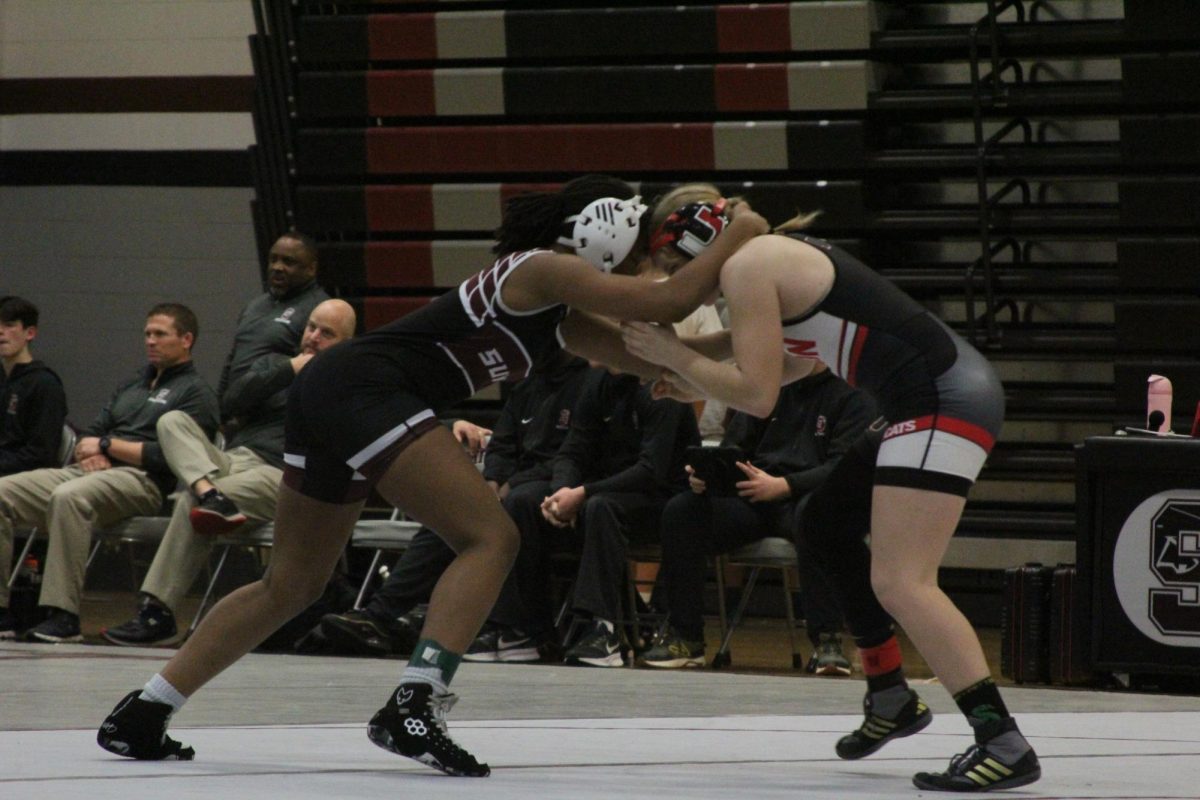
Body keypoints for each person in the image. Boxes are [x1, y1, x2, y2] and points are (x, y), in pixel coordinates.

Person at [97, 175, 768, 777]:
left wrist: (764, 343)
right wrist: (741, 230)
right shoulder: (541, 268)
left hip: (338, 393)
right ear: (605, 230)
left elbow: (659, 356)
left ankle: (144, 710)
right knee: (492, 537)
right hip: (366, 390)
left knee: (293, 584)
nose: (648, 262)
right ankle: (413, 703)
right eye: (641, 249)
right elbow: (670, 302)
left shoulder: (556, 312)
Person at [622, 184, 1041, 792]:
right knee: (823, 522)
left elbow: (758, 394)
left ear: (695, 248)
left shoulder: (749, 266)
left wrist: (679, 356)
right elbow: (795, 364)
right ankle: (891, 696)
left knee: (904, 581)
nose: (685, 291)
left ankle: (1002, 740)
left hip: (939, 399)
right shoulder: (765, 259)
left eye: (677, 273)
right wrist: (685, 362)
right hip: (927, 396)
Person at [101, 299, 357, 646]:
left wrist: (317, 376)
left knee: (192, 498)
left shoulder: (348, 386)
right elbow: (229, 402)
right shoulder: (276, 365)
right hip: (229, 460)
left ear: (347, 344)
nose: (313, 337)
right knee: (172, 421)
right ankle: (210, 492)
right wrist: (290, 370)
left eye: (327, 333)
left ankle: (158, 612)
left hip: (278, 472)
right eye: (311, 327)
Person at [0, 303, 219, 643]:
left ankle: (63, 615)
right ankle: (3, 612)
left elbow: (172, 457)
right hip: (89, 472)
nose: (150, 341)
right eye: (147, 333)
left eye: (160, 334)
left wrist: (107, 446)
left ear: (186, 339)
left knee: (68, 497)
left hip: (142, 482)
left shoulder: (195, 393)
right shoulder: (132, 384)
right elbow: (91, 433)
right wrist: (94, 447)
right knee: (2, 493)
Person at [640, 361, 876, 673]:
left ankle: (827, 640)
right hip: (754, 495)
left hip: (804, 496)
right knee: (682, 511)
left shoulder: (854, 393)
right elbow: (734, 449)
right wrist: (708, 475)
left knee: (819, 517)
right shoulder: (767, 388)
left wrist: (785, 485)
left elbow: (845, 467)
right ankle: (686, 637)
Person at [540, 365, 699, 667]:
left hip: (664, 501)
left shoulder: (663, 386)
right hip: (608, 494)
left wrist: (583, 493)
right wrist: (562, 491)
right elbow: (573, 450)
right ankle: (523, 627)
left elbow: (651, 471)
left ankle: (602, 628)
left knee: (599, 506)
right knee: (531, 502)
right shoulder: (597, 382)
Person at [194, 232, 329, 527]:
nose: (278, 267)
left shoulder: (316, 310)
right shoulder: (256, 305)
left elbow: (305, 371)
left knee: (203, 499)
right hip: (238, 427)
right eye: (274, 259)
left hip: (273, 436)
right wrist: (222, 411)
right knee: (176, 426)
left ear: (311, 269)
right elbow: (232, 362)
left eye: (290, 262)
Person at [0, 296, 68, 478]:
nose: (0, 331)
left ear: (29, 333)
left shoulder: (44, 384)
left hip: (24, 478)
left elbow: (41, 454)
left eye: (9, 325)